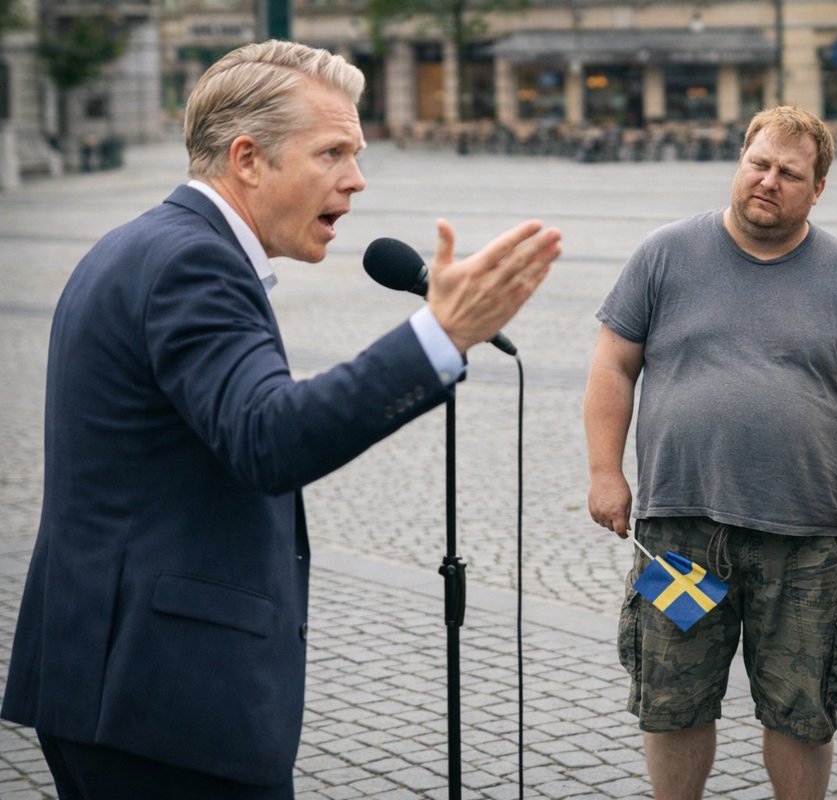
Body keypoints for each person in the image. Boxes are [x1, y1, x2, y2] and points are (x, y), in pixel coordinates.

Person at [0, 40, 560, 799]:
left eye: (355, 153)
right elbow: (269, 436)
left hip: (118, 682)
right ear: (248, 159)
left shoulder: (146, 244)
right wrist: (439, 339)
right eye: (332, 152)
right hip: (162, 702)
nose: (357, 180)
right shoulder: (189, 263)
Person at [584, 105, 837, 800]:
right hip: (679, 529)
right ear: (740, 161)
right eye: (758, 163)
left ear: (816, 190)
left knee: (802, 709)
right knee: (672, 702)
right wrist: (605, 472)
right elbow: (613, 364)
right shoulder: (665, 252)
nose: (769, 181)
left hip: (807, 540)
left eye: (790, 173)